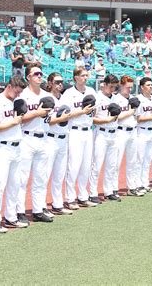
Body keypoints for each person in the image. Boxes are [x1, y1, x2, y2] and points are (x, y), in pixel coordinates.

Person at [0, 76, 28, 231]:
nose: (18, 95)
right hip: (2, 146)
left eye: (20, 92)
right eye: (16, 91)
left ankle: (11, 217)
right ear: (9, 86)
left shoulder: (16, 102)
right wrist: (13, 121)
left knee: (15, 184)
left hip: (17, 146)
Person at [17, 63, 55, 222]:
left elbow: (50, 118)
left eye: (40, 74)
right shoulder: (22, 95)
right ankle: (18, 211)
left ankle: (38, 210)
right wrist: (36, 113)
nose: (39, 76)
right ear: (28, 77)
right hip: (26, 137)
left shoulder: (48, 96)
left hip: (44, 137)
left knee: (41, 177)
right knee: (22, 178)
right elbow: (19, 119)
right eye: (36, 74)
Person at [62, 67, 97, 209]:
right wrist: (82, 111)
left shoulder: (91, 91)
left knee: (86, 165)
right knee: (74, 165)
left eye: (86, 75)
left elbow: (96, 109)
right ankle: (70, 198)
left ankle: (83, 196)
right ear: (75, 77)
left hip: (88, 130)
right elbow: (66, 114)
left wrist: (91, 111)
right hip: (75, 130)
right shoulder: (69, 93)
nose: (85, 78)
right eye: (82, 75)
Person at [89, 74, 120, 202]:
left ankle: (108, 191)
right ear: (104, 84)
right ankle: (92, 192)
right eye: (111, 86)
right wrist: (104, 120)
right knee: (97, 164)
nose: (112, 89)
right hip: (101, 132)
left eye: (114, 87)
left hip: (114, 132)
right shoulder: (97, 98)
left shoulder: (116, 98)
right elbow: (91, 118)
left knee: (111, 164)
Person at [44, 72, 73, 215]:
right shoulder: (46, 98)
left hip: (63, 137)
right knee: (45, 174)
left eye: (61, 82)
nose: (60, 84)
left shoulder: (65, 98)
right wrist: (61, 118)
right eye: (56, 82)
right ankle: (41, 206)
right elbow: (46, 120)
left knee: (59, 174)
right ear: (49, 83)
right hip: (50, 138)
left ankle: (57, 204)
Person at [111, 75, 143, 196]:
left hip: (133, 130)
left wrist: (133, 113)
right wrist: (129, 112)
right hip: (120, 131)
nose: (129, 89)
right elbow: (115, 117)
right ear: (121, 86)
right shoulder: (116, 99)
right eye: (127, 87)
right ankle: (114, 188)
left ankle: (132, 186)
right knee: (116, 161)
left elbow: (137, 117)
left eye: (131, 87)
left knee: (132, 161)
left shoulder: (133, 99)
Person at [135, 77, 152, 192]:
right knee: (139, 159)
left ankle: (144, 183)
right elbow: (138, 119)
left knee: (148, 159)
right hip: (142, 131)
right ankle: (137, 183)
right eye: (148, 85)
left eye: (151, 84)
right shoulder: (138, 99)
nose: (151, 86)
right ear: (142, 87)